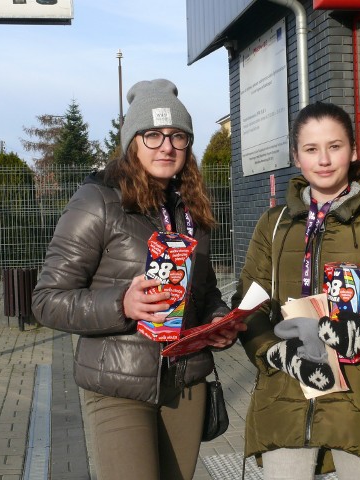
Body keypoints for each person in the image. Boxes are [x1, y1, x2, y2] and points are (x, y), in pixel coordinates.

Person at [31, 78, 245, 480]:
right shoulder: (98, 201)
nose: (166, 146)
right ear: (132, 142)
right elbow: (46, 299)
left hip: (186, 380)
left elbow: (206, 290)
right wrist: (121, 303)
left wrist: (219, 319)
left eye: (177, 136)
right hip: (119, 384)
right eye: (152, 135)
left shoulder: (192, 208)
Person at [232, 101, 360, 480]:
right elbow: (249, 306)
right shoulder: (273, 224)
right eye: (311, 149)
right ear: (296, 156)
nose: (324, 160)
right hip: (286, 394)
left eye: (335, 146)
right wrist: (276, 353)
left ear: (354, 150)